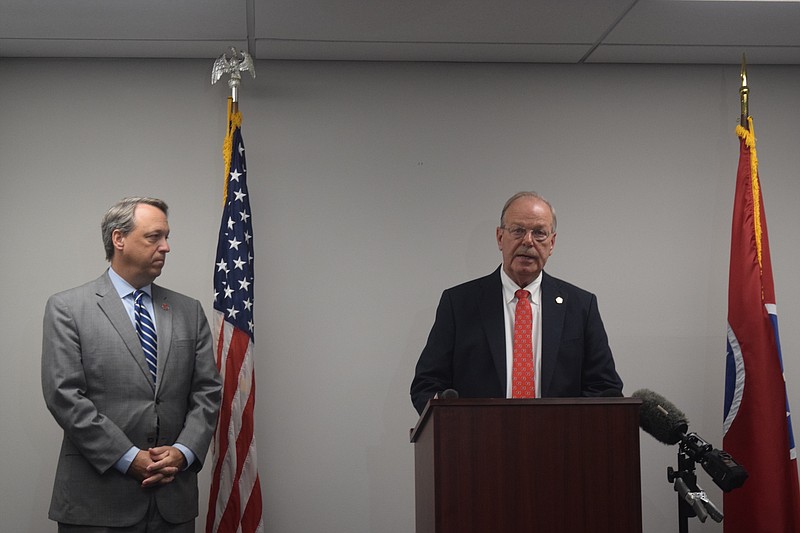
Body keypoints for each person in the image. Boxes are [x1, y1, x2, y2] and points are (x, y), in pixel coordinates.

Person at [41, 197, 222, 532]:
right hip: (97, 502)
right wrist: (128, 457)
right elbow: (64, 396)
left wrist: (183, 452)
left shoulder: (189, 311)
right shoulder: (68, 308)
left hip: (173, 501)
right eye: (154, 237)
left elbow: (207, 392)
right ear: (119, 239)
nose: (166, 247)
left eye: (167, 237)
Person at [411, 191, 622, 415]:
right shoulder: (459, 304)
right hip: (479, 442)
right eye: (518, 230)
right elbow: (427, 385)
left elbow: (605, 388)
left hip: (559, 443)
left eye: (539, 233)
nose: (528, 241)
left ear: (552, 243)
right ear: (500, 238)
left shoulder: (581, 306)